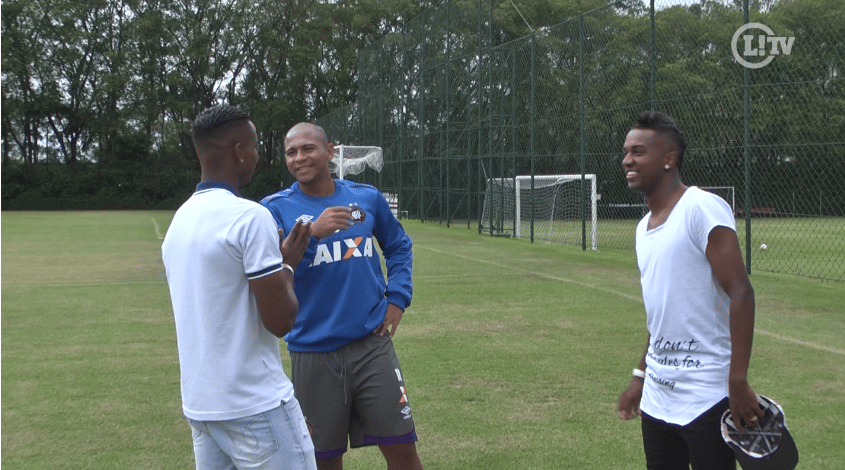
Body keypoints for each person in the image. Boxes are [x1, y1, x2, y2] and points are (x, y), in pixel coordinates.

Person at [162, 105, 317, 470]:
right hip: (255, 405)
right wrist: (288, 265)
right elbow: (280, 321)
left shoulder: (179, 221)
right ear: (238, 151)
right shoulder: (250, 217)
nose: (257, 156)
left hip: (202, 408)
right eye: (255, 146)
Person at [260, 122, 423, 470]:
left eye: (308, 148)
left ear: (330, 151)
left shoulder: (365, 197)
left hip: (371, 344)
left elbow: (398, 246)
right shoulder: (274, 209)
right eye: (291, 152)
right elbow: (271, 276)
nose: (299, 158)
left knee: (404, 452)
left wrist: (397, 298)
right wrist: (311, 234)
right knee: (324, 461)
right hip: (313, 351)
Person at [615, 111, 764, 469]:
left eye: (638, 152)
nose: (627, 160)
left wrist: (737, 382)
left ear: (669, 158)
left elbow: (741, 292)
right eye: (626, 151)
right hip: (658, 398)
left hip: (706, 396)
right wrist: (640, 376)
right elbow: (664, 317)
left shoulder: (701, 209)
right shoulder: (642, 228)